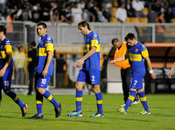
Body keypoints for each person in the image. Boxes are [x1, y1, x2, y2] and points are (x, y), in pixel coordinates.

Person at [110, 32, 156, 114]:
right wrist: (115, 60)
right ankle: (147, 110)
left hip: (139, 72)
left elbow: (148, 59)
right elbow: (125, 56)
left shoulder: (141, 47)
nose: (128, 44)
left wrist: (151, 72)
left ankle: (125, 109)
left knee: (132, 89)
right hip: (133, 72)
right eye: (127, 42)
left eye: (129, 42)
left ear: (133, 39)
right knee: (140, 91)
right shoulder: (128, 46)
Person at [67, 20, 103, 117]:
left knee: (96, 89)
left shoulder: (94, 35)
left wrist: (81, 59)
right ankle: (78, 111)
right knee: (78, 86)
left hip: (93, 66)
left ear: (86, 26)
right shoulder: (86, 38)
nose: (79, 31)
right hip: (85, 67)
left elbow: (93, 49)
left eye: (80, 29)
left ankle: (100, 112)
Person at [29, 22, 61, 119]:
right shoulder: (40, 40)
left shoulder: (48, 39)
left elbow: (50, 54)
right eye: (37, 29)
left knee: (41, 89)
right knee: (37, 90)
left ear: (45, 29)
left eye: (40, 29)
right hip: (39, 70)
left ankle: (56, 105)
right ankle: (39, 114)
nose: (38, 30)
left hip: (45, 70)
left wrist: (46, 68)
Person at [0, 24, 27, 117]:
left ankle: (22, 105)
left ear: (2, 32)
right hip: (1, 70)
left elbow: (10, 56)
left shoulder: (6, 42)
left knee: (7, 91)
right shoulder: (0, 43)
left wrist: (3, 69)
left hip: (6, 71)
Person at [111, 38, 140, 107]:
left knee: (128, 83)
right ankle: (126, 101)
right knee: (124, 86)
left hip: (128, 67)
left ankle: (135, 98)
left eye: (116, 45)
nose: (116, 47)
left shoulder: (126, 44)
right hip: (122, 68)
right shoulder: (118, 48)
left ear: (118, 42)